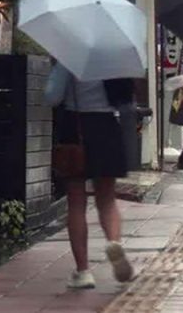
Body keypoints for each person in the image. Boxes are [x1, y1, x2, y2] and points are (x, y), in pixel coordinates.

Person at [45, 64, 134, 289]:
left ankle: (83, 271)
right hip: (107, 127)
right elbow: (126, 98)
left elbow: (52, 96)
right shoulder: (113, 57)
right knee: (107, 199)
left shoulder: (70, 58)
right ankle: (114, 243)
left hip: (76, 128)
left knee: (76, 202)